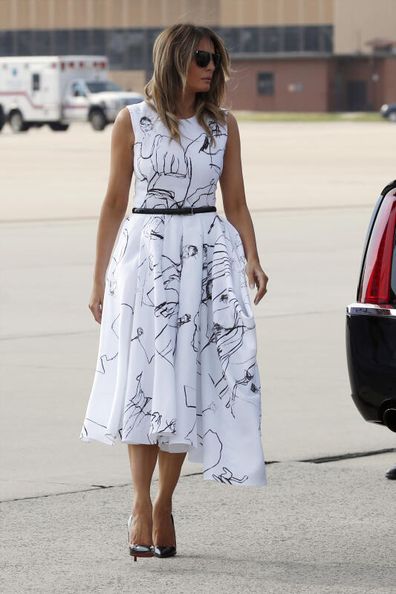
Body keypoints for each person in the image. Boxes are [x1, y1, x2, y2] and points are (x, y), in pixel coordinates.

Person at [79, 23, 269, 561]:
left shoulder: (224, 127)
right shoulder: (132, 122)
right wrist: (98, 278)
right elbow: (115, 202)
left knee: (184, 382)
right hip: (147, 258)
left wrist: (252, 256)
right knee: (145, 380)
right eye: (203, 59)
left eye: (217, 59)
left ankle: (166, 502)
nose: (213, 68)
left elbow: (235, 202)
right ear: (176, 61)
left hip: (204, 260)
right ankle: (140, 503)